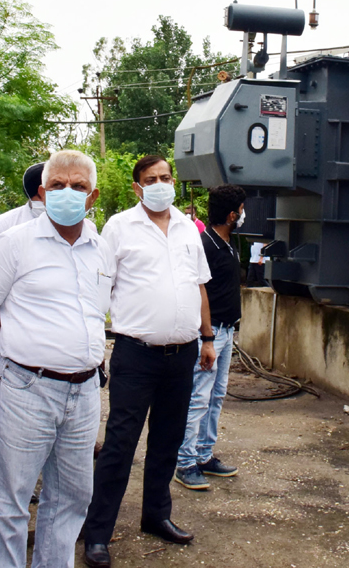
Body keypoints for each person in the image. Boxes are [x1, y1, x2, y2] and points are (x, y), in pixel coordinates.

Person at [0, 150, 107, 567]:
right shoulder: (15, 242)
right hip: (27, 388)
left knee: (70, 499)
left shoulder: (100, 247)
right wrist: (24, 345)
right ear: (43, 192)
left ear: (93, 196)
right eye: (59, 185)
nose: (68, 193)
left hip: (84, 393)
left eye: (79, 186)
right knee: (11, 500)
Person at [82, 155, 215, 568]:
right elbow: (100, 289)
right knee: (120, 444)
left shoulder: (189, 228)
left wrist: (208, 338)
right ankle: (98, 532)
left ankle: (156, 515)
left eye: (165, 177)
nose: (161, 184)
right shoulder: (120, 227)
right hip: (135, 354)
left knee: (168, 441)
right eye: (151, 179)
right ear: (138, 187)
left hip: (183, 354)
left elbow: (199, 286)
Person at [175, 184, 247, 490]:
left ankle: (204, 454)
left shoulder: (229, 243)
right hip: (211, 332)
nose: (244, 215)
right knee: (199, 398)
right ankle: (185, 461)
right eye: (241, 210)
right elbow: (196, 292)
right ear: (232, 214)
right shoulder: (205, 245)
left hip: (227, 330)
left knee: (216, 396)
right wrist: (206, 337)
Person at [0, 162, 46, 368]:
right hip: (4, 331)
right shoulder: (6, 225)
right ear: (40, 190)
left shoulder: (83, 228)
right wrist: (6, 333)